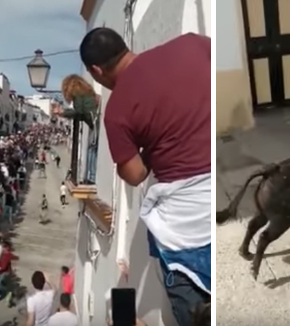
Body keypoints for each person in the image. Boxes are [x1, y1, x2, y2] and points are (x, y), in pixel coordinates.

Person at [79, 28, 211, 326]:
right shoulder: (193, 44)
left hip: (184, 232)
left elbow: (135, 174)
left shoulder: (117, 111)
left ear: (97, 71)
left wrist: (151, 146)